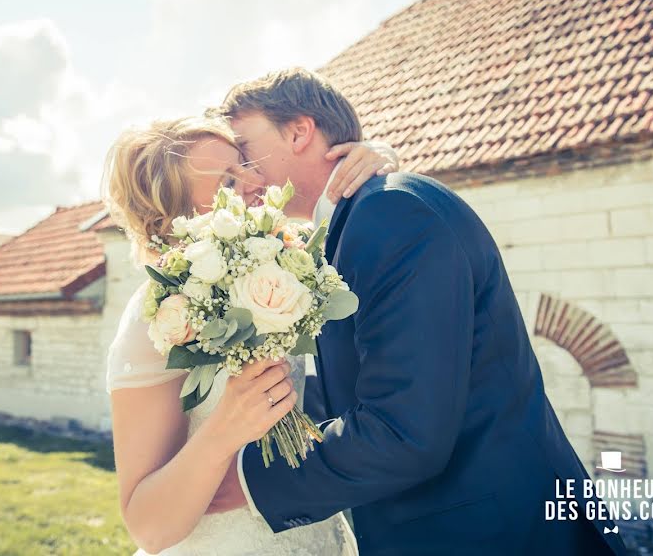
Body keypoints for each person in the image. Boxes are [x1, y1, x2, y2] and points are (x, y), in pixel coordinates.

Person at [204, 68, 628, 556]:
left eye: (245, 147)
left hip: (495, 533)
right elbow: (363, 382)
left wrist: (249, 483)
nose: (243, 172)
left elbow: (404, 429)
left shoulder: (390, 214)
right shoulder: (356, 220)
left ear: (299, 131)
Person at [102, 114, 398, 555]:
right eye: (227, 181)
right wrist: (224, 430)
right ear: (177, 220)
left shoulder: (283, 267)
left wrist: (378, 160)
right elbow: (148, 527)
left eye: (243, 162)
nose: (254, 178)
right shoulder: (160, 320)